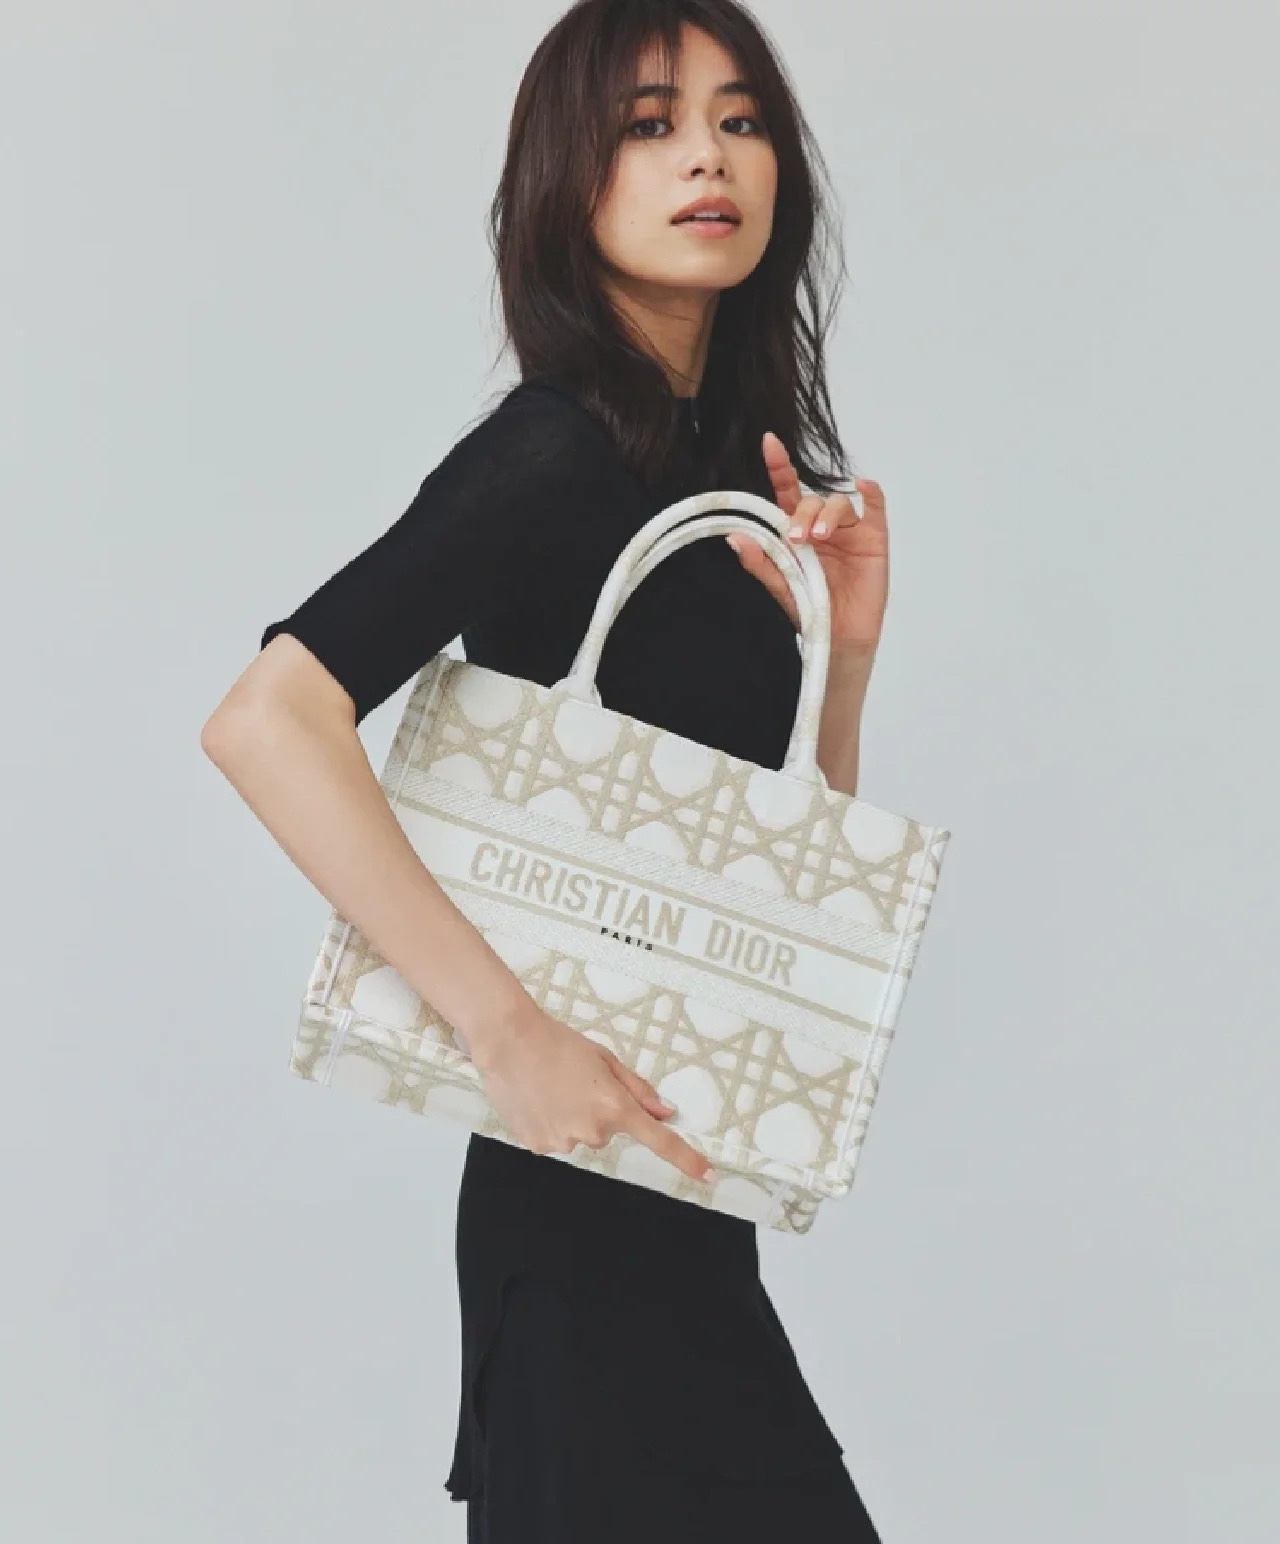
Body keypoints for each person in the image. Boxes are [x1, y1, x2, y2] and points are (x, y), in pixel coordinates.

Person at [202, 2, 891, 1539]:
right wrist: (503, 1030)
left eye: (740, 119)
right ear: (564, 183)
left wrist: (841, 662)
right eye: (650, 125)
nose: (708, 156)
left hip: (683, 1211)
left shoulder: (716, 480)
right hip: (579, 1228)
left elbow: (784, 895)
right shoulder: (554, 452)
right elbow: (268, 718)